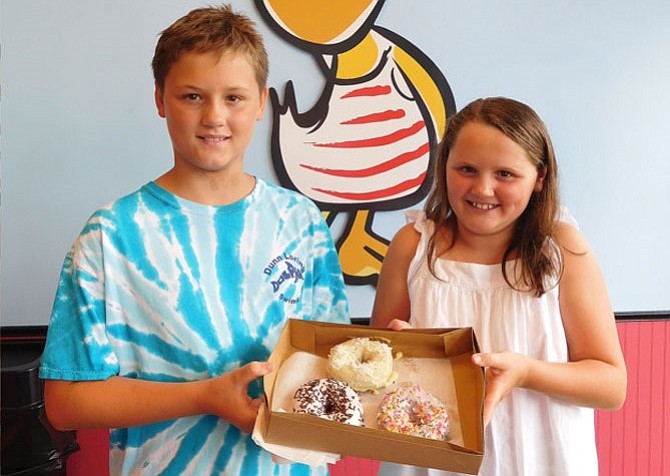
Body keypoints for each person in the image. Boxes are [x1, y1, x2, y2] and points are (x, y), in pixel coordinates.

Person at [39, 5, 349, 476]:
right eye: (192, 96)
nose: (214, 117)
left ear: (262, 103)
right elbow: (66, 402)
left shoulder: (300, 221)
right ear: (161, 99)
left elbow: (333, 362)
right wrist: (205, 397)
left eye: (235, 98)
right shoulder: (110, 235)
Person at [370, 97, 626, 476]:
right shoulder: (412, 245)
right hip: (428, 463)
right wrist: (407, 354)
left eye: (505, 174)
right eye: (467, 169)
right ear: (444, 168)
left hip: (542, 461)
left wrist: (524, 372)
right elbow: (374, 368)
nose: (483, 189)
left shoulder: (563, 251)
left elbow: (611, 386)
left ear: (539, 177)